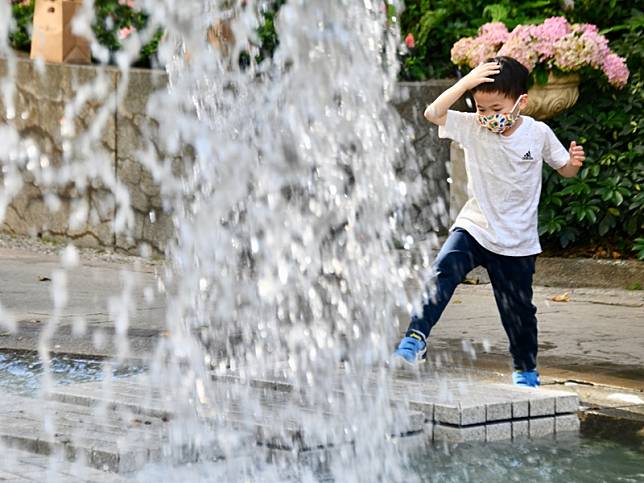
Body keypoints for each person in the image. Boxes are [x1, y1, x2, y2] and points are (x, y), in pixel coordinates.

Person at [393, 56, 585, 387]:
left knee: (519, 312)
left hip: (517, 239)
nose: (487, 116)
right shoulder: (470, 126)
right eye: (481, 108)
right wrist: (466, 82)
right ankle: (415, 337)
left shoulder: (537, 134)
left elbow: (563, 167)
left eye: (495, 108)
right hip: (475, 225)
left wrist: (574, 165)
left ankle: (525, 371)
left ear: (520, 102)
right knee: (443, 271)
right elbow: (432, 113)